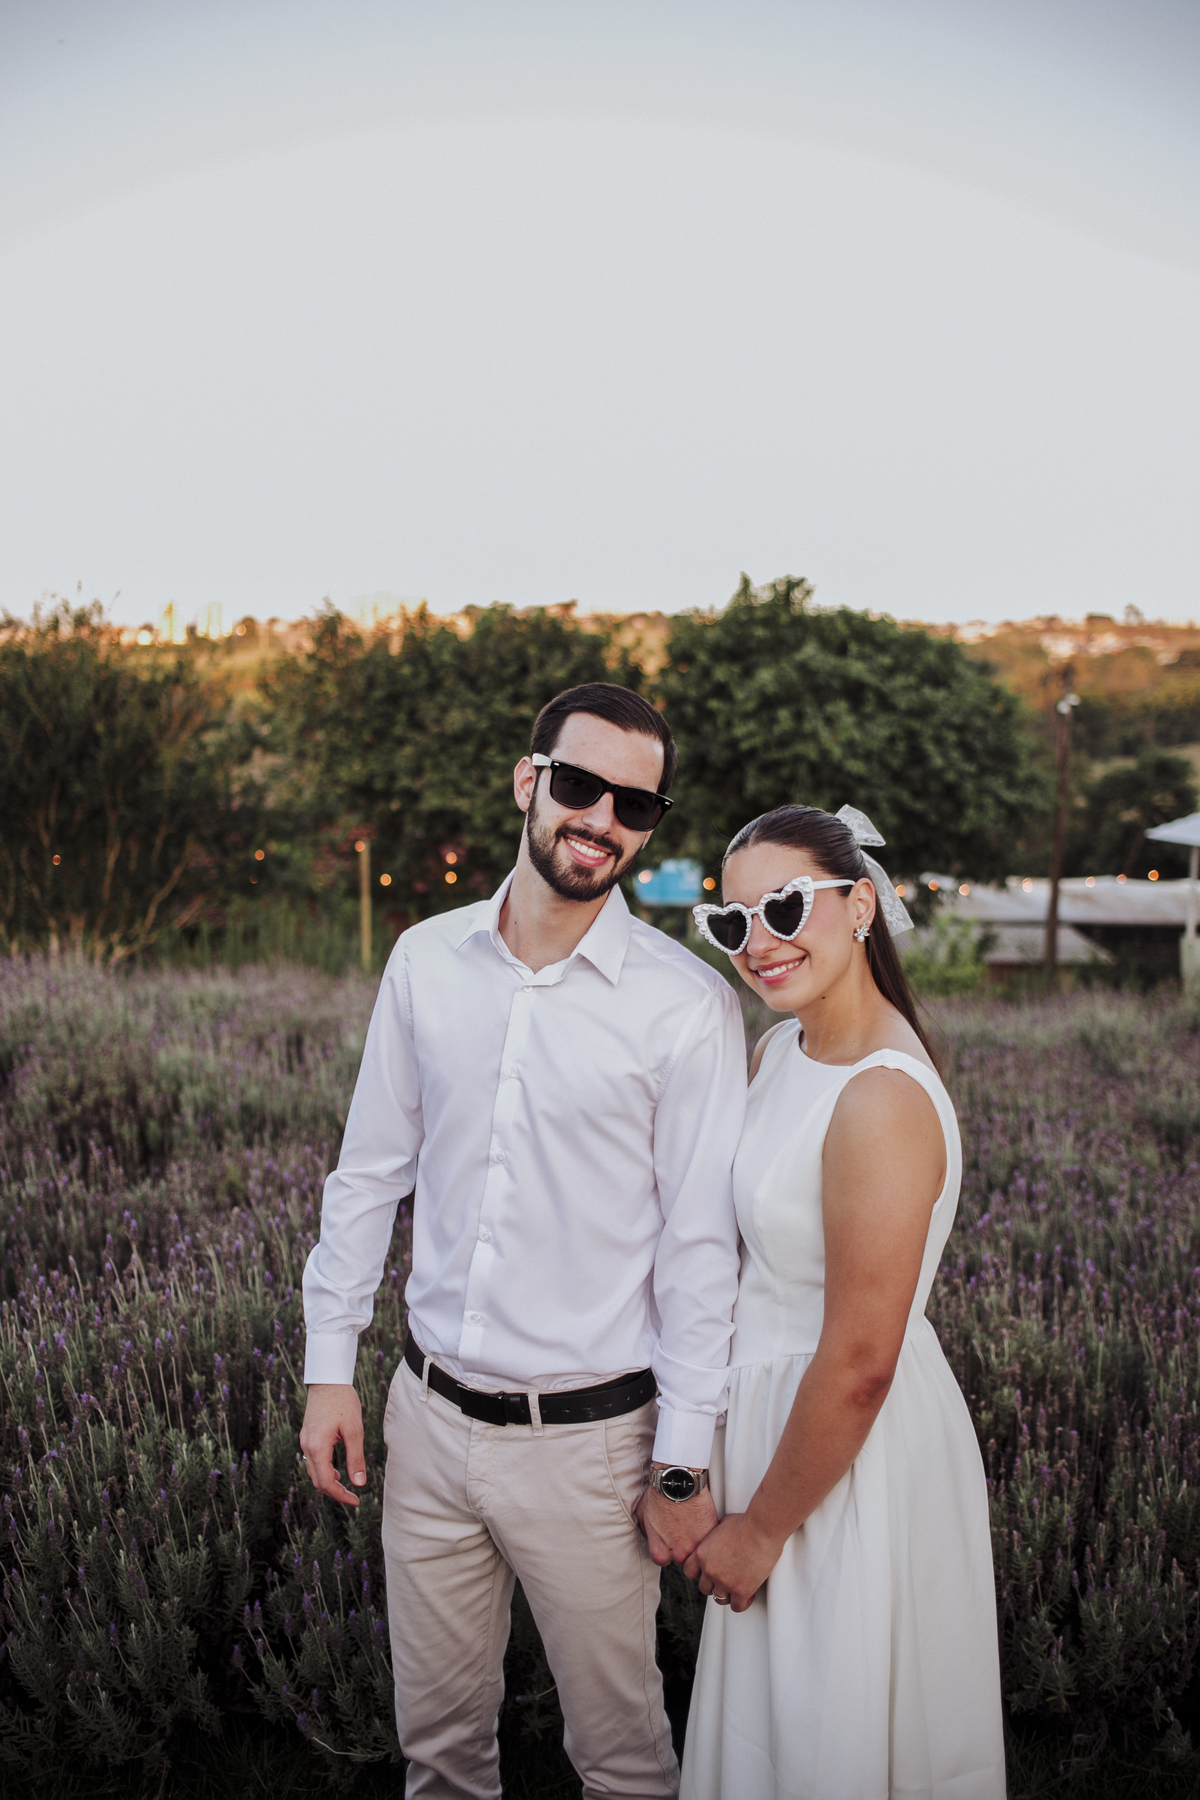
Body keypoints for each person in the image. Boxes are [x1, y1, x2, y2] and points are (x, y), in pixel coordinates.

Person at [299, 682, 746, 1800]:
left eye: (635, 806)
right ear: (527, 781)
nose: (602, 820)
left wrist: (682, 1462)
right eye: (580, 785)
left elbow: (701, 1251)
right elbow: (369, 1176)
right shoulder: (425, 959)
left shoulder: (686, 1006)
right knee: (439, 1755)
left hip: (593, 1450)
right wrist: (328, 1368)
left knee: (624, 1765)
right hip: (426, 1421)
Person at [680, 803, 1005, 1800]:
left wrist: (761, 1529)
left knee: (835, 1730)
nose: (758, 942)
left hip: (844, 1456)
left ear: (860, 903)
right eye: (732, 921)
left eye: (784, 906)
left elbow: (862, 1359)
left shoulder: (881, 1096)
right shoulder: (779, 1052)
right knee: (780, 1732)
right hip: (777, 1431)